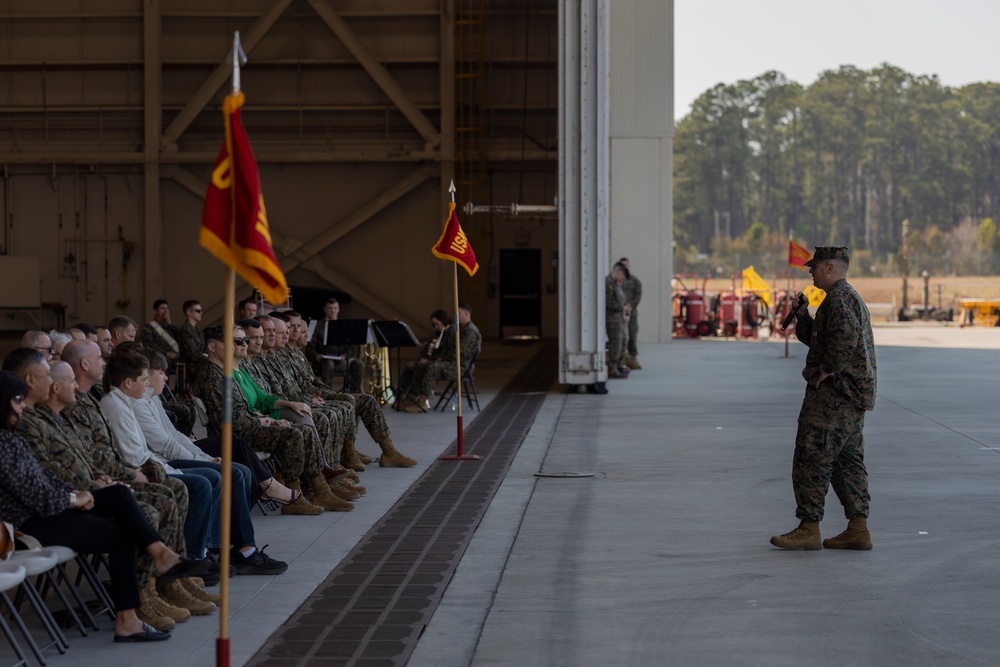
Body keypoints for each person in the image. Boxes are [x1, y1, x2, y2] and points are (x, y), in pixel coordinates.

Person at [0, 370, 208, 643]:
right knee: (122, 533)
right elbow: (37, 496)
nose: (21, 405)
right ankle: (130, 616)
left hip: (52, 507)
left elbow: (45, 478)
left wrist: (76, 492)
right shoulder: (5, 443)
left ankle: (162, 557)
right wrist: (76, 498)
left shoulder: (11, 437)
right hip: (32, 523)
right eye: (16, 400)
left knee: (119, 496)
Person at [770, 246, 877, 551]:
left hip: (835, 397)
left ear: (830, 267)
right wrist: (804, 317)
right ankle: (858, 528)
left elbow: (846, 337)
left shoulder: (840, 300)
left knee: (812, 455)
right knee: (846, 462)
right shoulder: (844, 298)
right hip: (852, 397)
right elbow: (822, 339)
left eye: (814, 267)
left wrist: (828, 370)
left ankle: (809, 527)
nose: (811, 272)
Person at [402, 304, 481, 413]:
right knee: (423, 365)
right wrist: (438, 358)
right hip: (452, 362)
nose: (456, 316)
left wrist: (440, 359)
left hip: (460, 366)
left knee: (432, 368)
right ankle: (411, 398)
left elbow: (459, 354)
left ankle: (423, 402)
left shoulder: (470, 332)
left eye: (459, 313)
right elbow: (449, 349)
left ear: (467, 314)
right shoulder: (461, 330)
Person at [307, 297, 364, 392]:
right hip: (324, 361)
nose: (332, 311)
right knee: (329, 364)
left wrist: (345, 356)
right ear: (325, 309)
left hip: (341, 360)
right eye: (330, 308)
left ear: (338, 309)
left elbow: (350, 348)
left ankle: (355, 394)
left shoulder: (344, 326)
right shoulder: (318, 326)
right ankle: (327, 394)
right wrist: (316, 356)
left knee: (359, 364)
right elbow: (310, 348)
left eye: (335, 308)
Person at [605, 262, 630, 379]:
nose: (623, 280)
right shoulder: (608, 284)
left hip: (618, 319)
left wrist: (624, 311)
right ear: (618, 273)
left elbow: (620, 300)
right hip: (612, 320)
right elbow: (609, 302)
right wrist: (622, 308)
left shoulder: (615, 284)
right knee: (615, 344)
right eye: (622, 277)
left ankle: (618, 365)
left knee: (623, 341)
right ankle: (612, 368)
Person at [139, 299, 181, 366]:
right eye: (162, 309)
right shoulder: (148, 327)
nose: (165, 311)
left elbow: (181, 336)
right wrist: (167, 353)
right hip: (161, 356)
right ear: (155, 311)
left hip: (177, 354)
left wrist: (170, 322)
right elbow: (149, 345)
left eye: (167, 309)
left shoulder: (170, 326)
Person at [619, 257, 642, 370]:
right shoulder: (616, 281)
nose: (625, 268)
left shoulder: (635, 281)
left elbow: (637, 296)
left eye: (626, 265)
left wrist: (630, 306)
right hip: (618, 312)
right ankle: (620, 358)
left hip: (631, 312)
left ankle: (632, 357)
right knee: (620, 336)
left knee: (632, 334)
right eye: (622, 265)